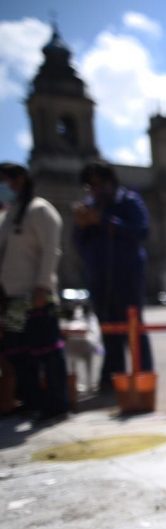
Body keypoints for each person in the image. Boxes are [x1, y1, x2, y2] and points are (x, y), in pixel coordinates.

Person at [72, 160, 152, 391]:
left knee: (134, 327)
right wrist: (83, 225)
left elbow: (141, 231)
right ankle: (112, 377)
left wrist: (105, 221)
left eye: (99, 184)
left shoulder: (129, 201)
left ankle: (144, 375)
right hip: (99, 277)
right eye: (90, 186)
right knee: (107, 327)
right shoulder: (89, 207)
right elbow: (79, 243)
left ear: (110, 183)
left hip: (127, 276)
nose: (95, 190)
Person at [0, 162, 70, 421]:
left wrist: (42, 285)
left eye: (4, 181)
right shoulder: (9, 215)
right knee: (18, 353)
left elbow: (52, 250)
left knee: (47, 351)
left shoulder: (40, 210)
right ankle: (32, 401)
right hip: (13, 298)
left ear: (19, 180)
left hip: (37, 295)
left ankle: (57, 404)